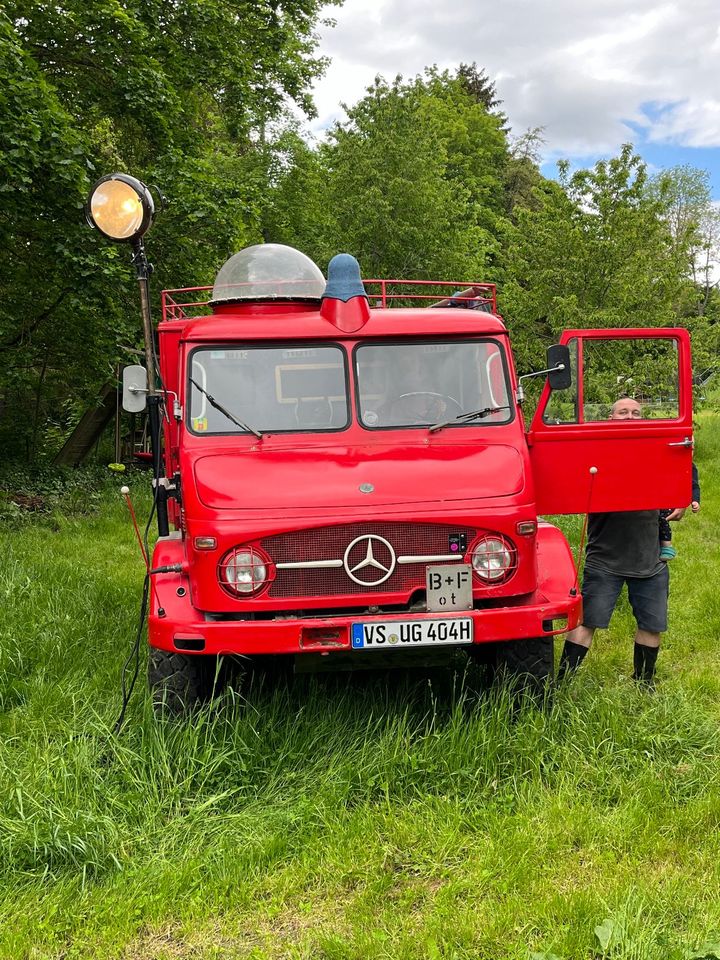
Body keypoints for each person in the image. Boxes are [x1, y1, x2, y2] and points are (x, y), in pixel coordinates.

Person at [558, 396, 688, 686]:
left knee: (652, 624)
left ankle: (644, 684)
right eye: (623, 412)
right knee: (587, 621)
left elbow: (686, 466)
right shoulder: (596, 450)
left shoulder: (657, 449)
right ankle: (562, 683)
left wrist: (687, 496)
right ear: (611, 417)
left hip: (649, 558)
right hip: (605, 558)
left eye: (636, 412)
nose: (630, 416)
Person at [658, 463, 700, 560]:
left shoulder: (689, 466)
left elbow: (694, 486)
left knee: (661, 517)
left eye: (692, 449)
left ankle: (667, 546)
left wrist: (695, 501)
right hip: (660, 496)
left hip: (671, 500)